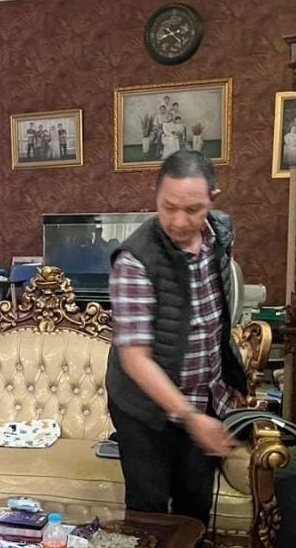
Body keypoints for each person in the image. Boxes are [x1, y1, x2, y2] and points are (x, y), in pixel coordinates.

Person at [105, 149, 247, 527]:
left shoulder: (220, 233)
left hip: (204, 398)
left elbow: (214, 315)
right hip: (146, 409)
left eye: (193, 209)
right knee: (149, 514)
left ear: (212, 200)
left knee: (194, 506)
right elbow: (135, 358)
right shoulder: (135, 260)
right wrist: (188, 416)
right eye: (168, 208)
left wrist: (227, 383)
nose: (179, 221)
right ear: (156, 197)